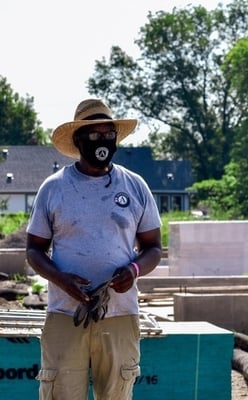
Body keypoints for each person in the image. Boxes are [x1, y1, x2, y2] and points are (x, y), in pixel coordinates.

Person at [26, 98, 162, 400]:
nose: (102, 142)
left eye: (108, 135)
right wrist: (62, 280)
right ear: (78, 140)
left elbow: (153, 248)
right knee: (60, 393)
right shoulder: (54, 188)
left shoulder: (135, 186)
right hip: (65, 313)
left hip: (120, 314)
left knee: (116, 394)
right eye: (94, 135)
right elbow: (34, 250)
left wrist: (134, 269)